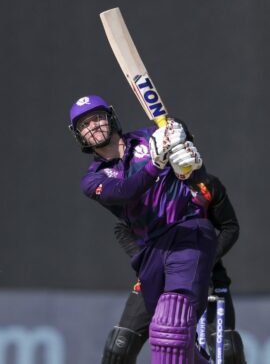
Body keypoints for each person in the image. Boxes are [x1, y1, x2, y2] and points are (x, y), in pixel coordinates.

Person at [69, 94, 214, 363]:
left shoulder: (151, 137)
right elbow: (126, 192)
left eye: (97, 118)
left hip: (186, 232)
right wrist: (156, 164)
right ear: (78, 136)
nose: (93, 126)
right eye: (84, 125)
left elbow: (199, 177)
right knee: (119, 349)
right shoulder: (93, 180)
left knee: (173, 323)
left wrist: (186, 153)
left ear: (110, 117)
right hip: (151, 252)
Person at [102, 172, 246, 363]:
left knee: (228, 350)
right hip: (158, 274)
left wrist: (201, 261)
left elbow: (230, 227)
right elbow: (122, 228)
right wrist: (148, 260)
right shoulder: (149, 186)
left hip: (206, 274)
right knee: (119, 347)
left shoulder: (206, 185)